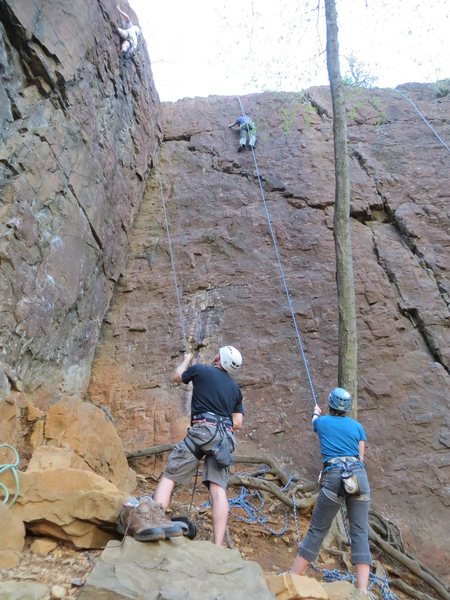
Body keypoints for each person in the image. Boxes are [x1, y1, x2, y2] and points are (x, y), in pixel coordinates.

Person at [153, 345, 244, 546]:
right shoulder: (235, 390)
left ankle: (154, 524)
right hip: (224, 438)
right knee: (218, 489)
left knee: (170, 475)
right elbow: (237, 422)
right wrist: (221, 414)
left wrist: (186, 360)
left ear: (218, 358)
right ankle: (217, 545)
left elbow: (176, 377)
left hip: (203, 431)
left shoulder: (202, 370)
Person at [290, 387, 372, 594]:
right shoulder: (357, 427)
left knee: (317, 529)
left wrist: (316, 412)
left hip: (335, 476)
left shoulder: (323, 422)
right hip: (358, 477)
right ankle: (362, 590)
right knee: (360, 532)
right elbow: (360, 459)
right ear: (347, 407)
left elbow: (314, 423)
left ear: (330, 404)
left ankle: (292, 577)